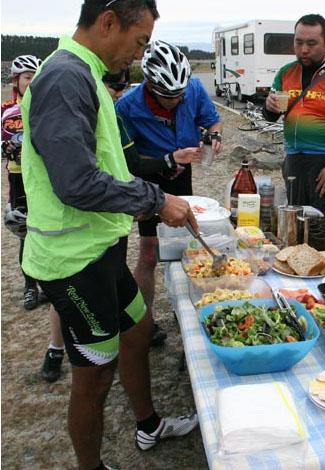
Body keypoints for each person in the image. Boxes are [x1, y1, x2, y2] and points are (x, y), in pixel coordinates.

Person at [20, 2, 199, 469]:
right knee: (93, 378)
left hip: (99, 251)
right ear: (107, 22)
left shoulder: (85, 73)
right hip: (73, 262)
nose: (138, 57)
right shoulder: (64, 78)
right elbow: (75, 181)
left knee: (138, 330)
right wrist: (158, 200)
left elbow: (109, 163)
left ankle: (148, 424)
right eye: (139, 42)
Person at [115, 40, 222, 346]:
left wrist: (214, 134)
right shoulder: (126, 108)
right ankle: (143, 323)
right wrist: (166, 161)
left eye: (180, 95)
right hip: (148, 178)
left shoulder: (195, 88)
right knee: (149, 252)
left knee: (185, 247)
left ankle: (187, 308)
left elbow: (211, 119)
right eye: (167, 96)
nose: (176, 101)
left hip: (181, 172)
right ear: (149, 86)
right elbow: (128, 163)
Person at [263, 14, 325, 230]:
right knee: (298, 224)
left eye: (311, 43)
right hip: (294, 161)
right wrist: (268, 107)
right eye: (299, 42)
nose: (304, 49)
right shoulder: (285, 72)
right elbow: (271, 116)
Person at [2, 55, 48, 310]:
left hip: (43, 177)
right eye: (28, 78)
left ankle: (49, 283)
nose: (32, 83)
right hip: (19, 176)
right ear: (16, 80)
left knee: (46, 228)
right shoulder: (6, 109)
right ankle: (30, 287)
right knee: (24, 231)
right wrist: (4, 146)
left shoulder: (47, 107)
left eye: (36, 78)